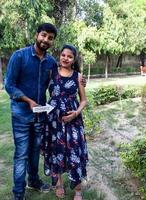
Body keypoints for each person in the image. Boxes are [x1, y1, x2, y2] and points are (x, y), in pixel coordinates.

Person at [5, 23, 58, 200]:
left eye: (50, 38)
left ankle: (33, 181)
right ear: (37, 35)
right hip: (21, 114)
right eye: (43, 35)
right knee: (21, 154)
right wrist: (28, 101)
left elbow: (55, 85)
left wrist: (79, 80)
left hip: (40, 115)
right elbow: (9, 85)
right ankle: (18, 194)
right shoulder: (19, 56)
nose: (46, 40)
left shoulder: (51, 62)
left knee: (36, 150)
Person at [41, 44, 88, 200]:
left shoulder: (78, 77)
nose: (66, 58)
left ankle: (78, 190)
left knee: (75, 152)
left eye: (69, 56)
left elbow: (83, 100)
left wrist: (75, 113)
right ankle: (59, 184)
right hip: (54, 121)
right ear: (59, 56)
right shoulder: (50, 73)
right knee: (56, 151)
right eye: (63, 55)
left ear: (74, 59)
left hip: (73, 122)